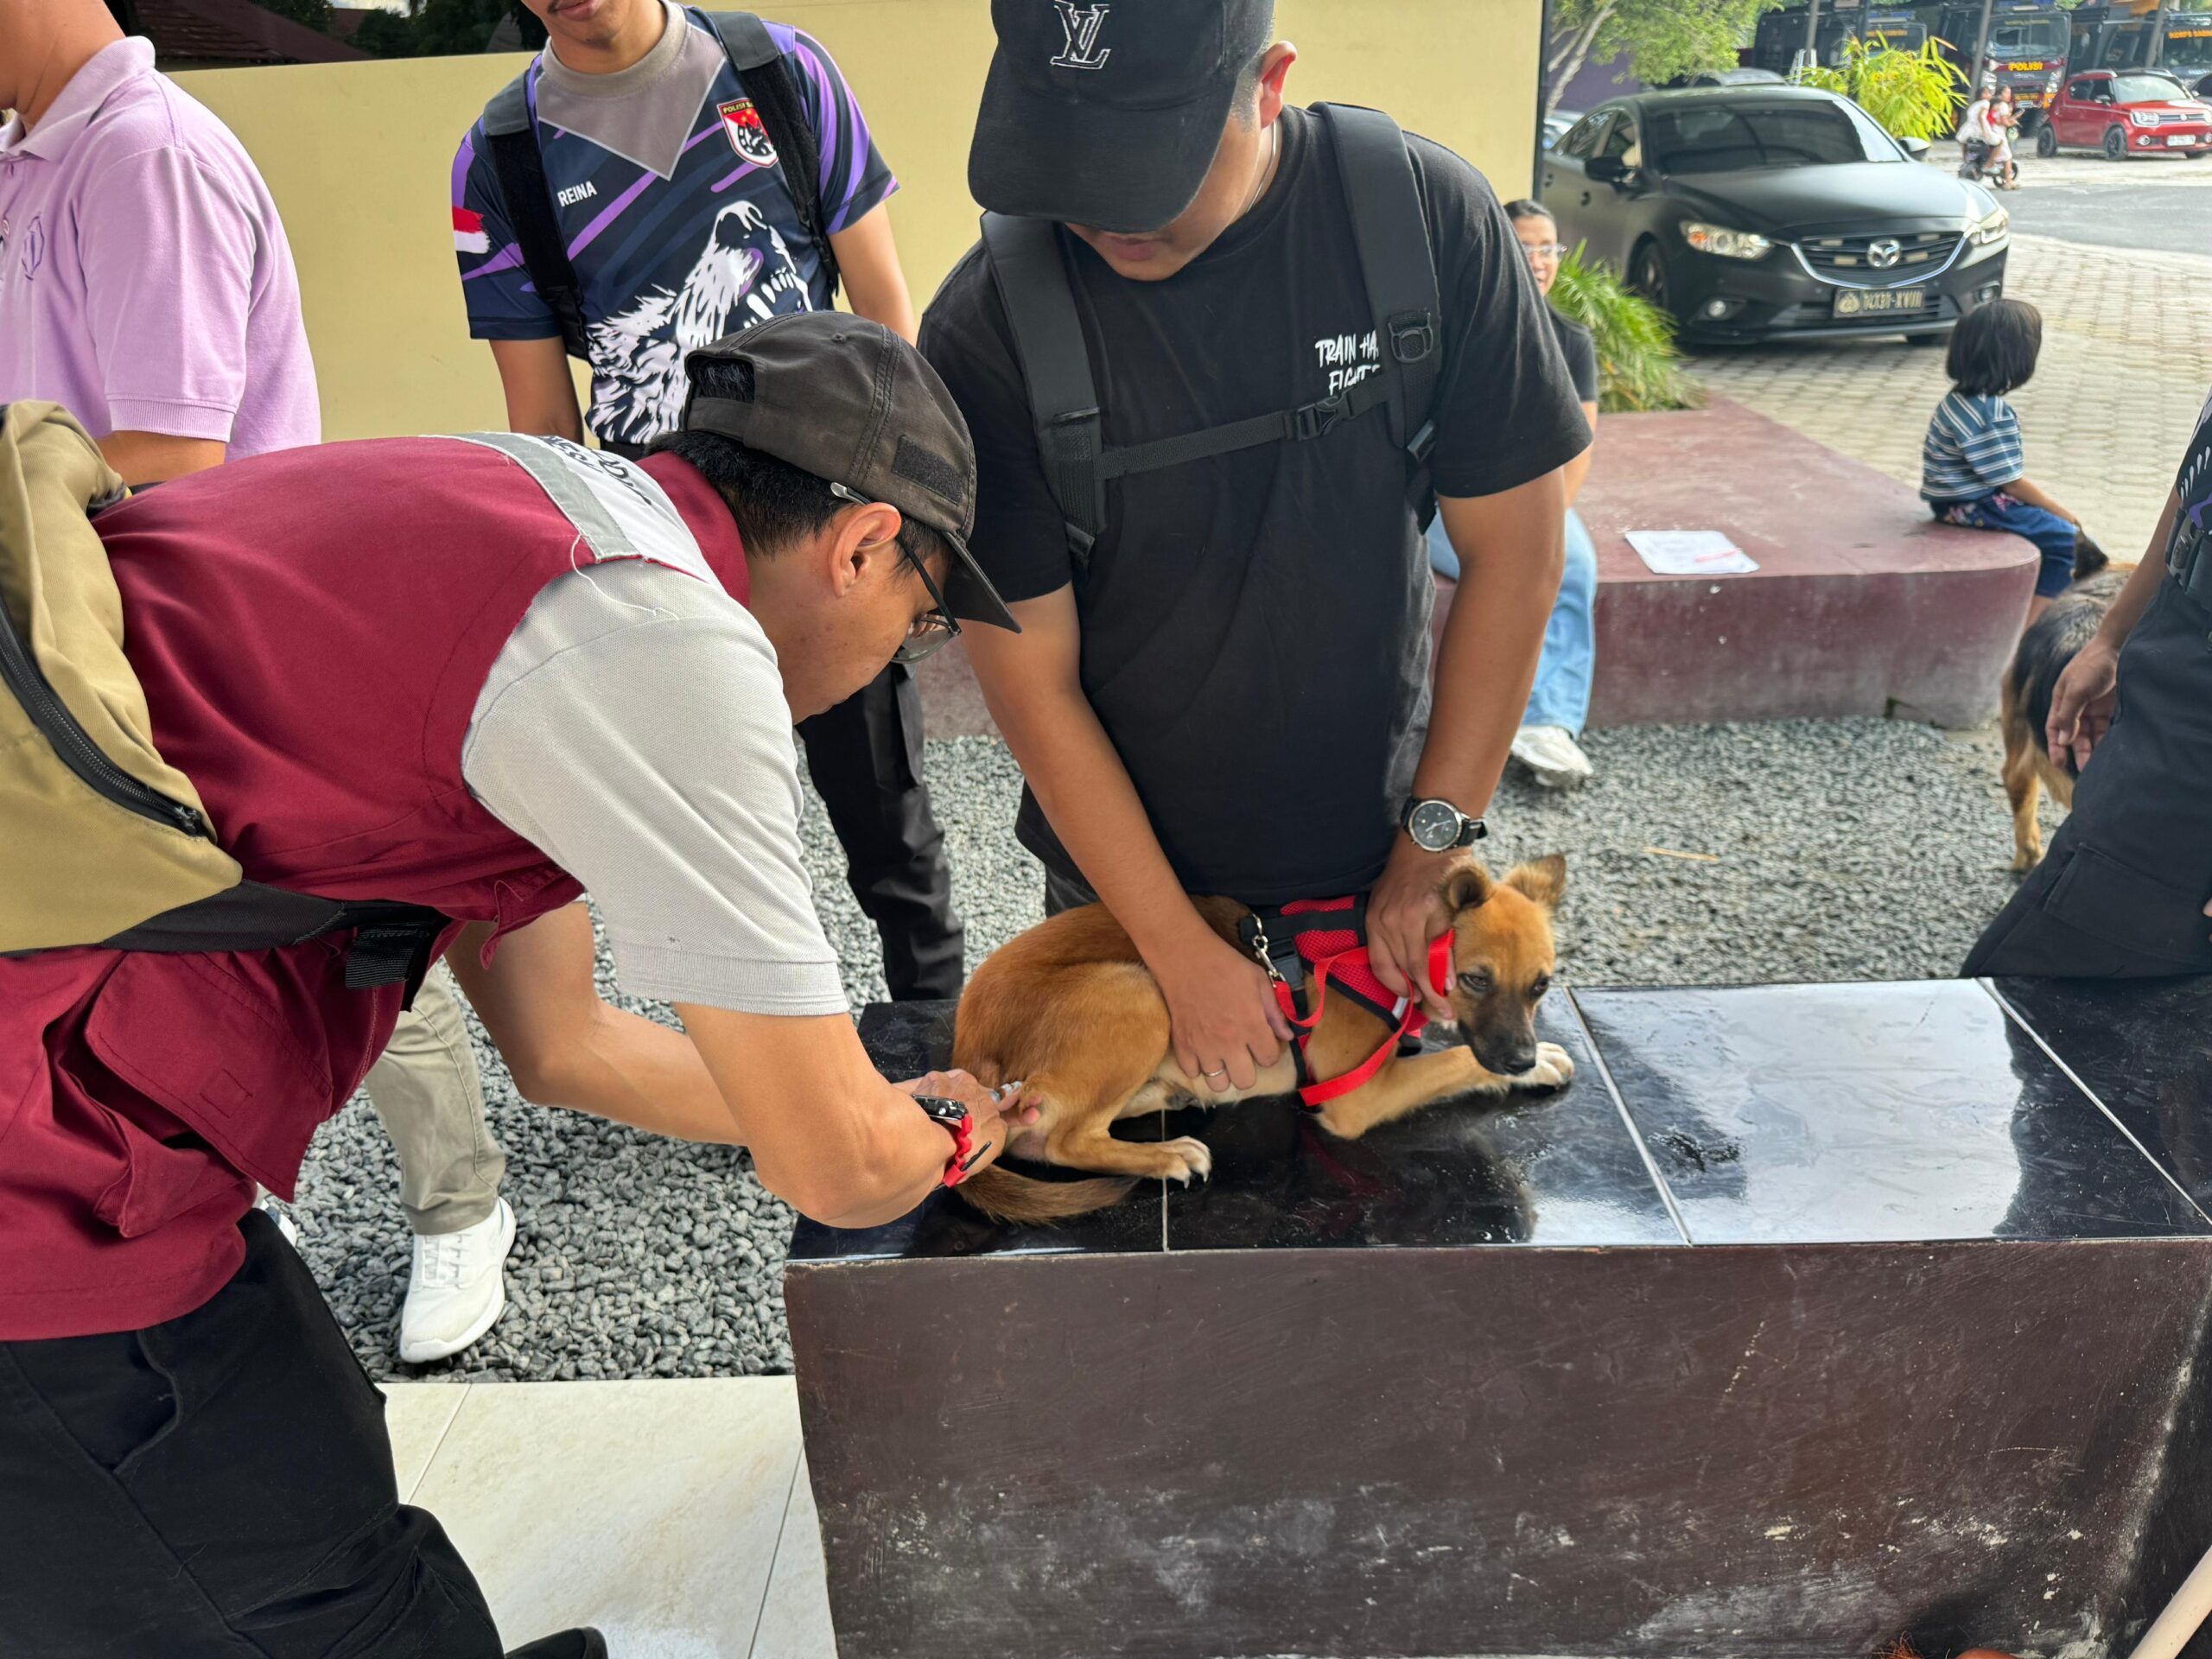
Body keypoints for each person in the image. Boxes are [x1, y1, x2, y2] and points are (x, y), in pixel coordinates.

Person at [0, 315, 1033, 1656]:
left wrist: (856, 1101)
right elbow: (836, 1172)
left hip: (94, 1120)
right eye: (920, 621)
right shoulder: (666, 647)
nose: (900, 659)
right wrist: (944, 1132)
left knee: (304, 1461)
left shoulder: (540, 518)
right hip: (53, 1190)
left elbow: (565, 1045)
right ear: (862, 546)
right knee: (310, 1599)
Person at [920, 0, 1588, 1097]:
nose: (1103, 208)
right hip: (1130, 906)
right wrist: (1178, 952)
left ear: (1268, 83)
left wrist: (1427, 849)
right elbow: (1030, 683)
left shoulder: (1421, 223)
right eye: (1065, 161)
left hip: (1382, 851)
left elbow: (1516, 555)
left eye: (1150, 163)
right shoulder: (990, 326)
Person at [0, 0, 518, 1367]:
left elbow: (177, 456)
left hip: (189, 637)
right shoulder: (35, 160)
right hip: (84, 640)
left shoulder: (143, 156)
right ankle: (219, 1193)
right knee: (173, 936)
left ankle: (461, 1205)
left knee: (321, 919)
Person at [452, 0, 969, 1007]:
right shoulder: (501, 157)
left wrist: (891, 494)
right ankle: (763, 1050)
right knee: (711, 828)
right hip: (666, 547)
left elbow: (884, 309)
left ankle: (934, 1013)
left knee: (881, 801)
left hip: (824, 520)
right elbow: (544, 417)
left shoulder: (776, 72)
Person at [1963, 389, 2212, 978]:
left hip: (2190, 785)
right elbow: (2194, 493)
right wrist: (2112, 639)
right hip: (2163, 684)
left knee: (2018, 994)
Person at [1427, 199, 1602, 788]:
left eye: (1548, 248)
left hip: (1537, 498)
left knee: (1571, 562)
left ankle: (1548, 726)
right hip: (1448, 498)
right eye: (1525, 247)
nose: (1540, 260)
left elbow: (1579, 447)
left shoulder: (1571, 341)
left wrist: (1546, 524)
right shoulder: (1457, 329)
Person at [1921, 297, 2093, 624]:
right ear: (2018, 358)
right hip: (1974, 506)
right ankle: (2031, 631)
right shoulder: (1989, 412)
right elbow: (2011, 483)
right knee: (2073, 545)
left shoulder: (1958, 400)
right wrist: (2064, 513)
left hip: (1952, 504)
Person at [1990, 86, 2021, 188]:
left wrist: (2011, 116)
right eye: (2007, 93)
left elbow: (1998, 120)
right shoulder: (2003, 105)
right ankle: (2009, 181)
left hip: (1991, 130)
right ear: (2001, 94)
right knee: (2008, 157)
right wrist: (2012, 122)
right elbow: (2004, 123)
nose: (2009, 96)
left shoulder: (1994, 104)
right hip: (1998, 133)